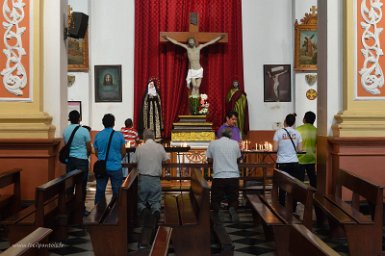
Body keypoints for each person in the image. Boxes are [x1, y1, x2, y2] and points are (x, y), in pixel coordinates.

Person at [132, 129, 170, 248]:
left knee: (141, 201)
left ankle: (144, 213)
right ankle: (155, 213)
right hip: (155, 179)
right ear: (153, 137)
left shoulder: (140, 148)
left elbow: (133, 162)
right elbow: (167, 160)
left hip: (143, 179)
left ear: (144, 138)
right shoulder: (159, 147)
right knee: (155, 201)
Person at [206, 127, 242, 223]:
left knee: (216, 198)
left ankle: (218, 211)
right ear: (230, 135)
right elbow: (238, 158)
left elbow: (209, 159)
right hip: (233, 175)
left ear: (220, 135)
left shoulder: (213, 143)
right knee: (233, 197)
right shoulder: (235, 144)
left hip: (219, 175)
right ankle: (232, 209)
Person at [63, 110, 92, 216]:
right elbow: (88, 147)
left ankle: (70, 209)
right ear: (79, 119)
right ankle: (81, 209)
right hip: (82, 160)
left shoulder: (66, 131)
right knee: (82, 185)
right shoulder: (84, 131)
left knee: (70, 185)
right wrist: (86, 154)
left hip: (70, 160)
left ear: (69, 119)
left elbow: (67, 144)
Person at [94, 113, 126, 205]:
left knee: (100, 191)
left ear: (103, 123)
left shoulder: (98, 135)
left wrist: (102, 158)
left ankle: (98, 212)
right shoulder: (119, 135)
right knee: (117, 191)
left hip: (102, 167)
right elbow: (123, 152)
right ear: (113, 123)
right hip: (115, 167)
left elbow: (96, 151)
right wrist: (117, 159)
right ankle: (117, 210)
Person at [273, 113, 303, 208]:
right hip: (294, 162)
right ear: (293, 123)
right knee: (293, 185)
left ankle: (281, 207)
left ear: (285, 121)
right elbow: (300, 150)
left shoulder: (279, 132)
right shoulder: (297, 133)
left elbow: (274, 148)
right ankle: (293, 207)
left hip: (282, 163)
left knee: (282, 186)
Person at [296, 111, 317, 188]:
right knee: (312, 179)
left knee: (299, 180)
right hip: (311, 158)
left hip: (300, 158)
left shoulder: (298, 129)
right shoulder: (316, 131)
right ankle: (314, 196)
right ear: (314, 120)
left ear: (304, 119)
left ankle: (300, 196)